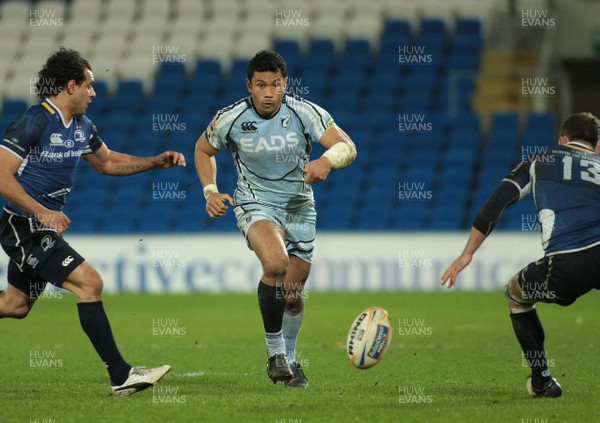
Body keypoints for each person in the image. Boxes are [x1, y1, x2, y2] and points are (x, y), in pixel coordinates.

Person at [0, 47, 186, 396]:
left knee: (16, 306)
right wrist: (42, 211)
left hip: (40, 225)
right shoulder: (34, 121)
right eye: (89, 85)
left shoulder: (83, 127)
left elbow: (107, 163)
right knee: (90, 283)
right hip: (24, 225)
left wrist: (153, 162)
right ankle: (121, 376)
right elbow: (1, 175)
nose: (94, 92)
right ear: (71, 86)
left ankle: (121, 374)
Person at [194, 50, 356, 388]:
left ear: (285, 84)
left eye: (276, 84)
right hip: (256, 203)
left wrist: (327, 161)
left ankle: (292, 360)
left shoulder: (304, 112)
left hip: (299, 208)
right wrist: (210, 190)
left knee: (294, 294)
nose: (269, 93)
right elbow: (204, 149)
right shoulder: (231, 118)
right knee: (276, 265)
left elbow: (347, 146)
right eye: (261, 85)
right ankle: (274, 353)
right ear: (249, 85)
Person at [441, 112, 600, 398]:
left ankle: (542, 380)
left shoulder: (541, 160)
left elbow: (496, 204)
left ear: (562, 140)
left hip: (569, 261)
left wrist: (467, 254)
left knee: (516, 293)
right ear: (597, 146)